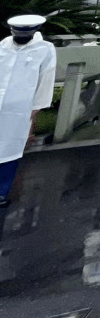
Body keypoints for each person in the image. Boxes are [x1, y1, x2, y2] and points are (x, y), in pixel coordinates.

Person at [0, 15, 57, 208]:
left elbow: (47, 77)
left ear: (33, 32)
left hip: (20, 108)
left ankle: (1, 191)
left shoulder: (45, 49)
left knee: (10, 148)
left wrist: (37, 106)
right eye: (17, 32)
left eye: (24, 33)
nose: (20, 36)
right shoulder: (3, 47)